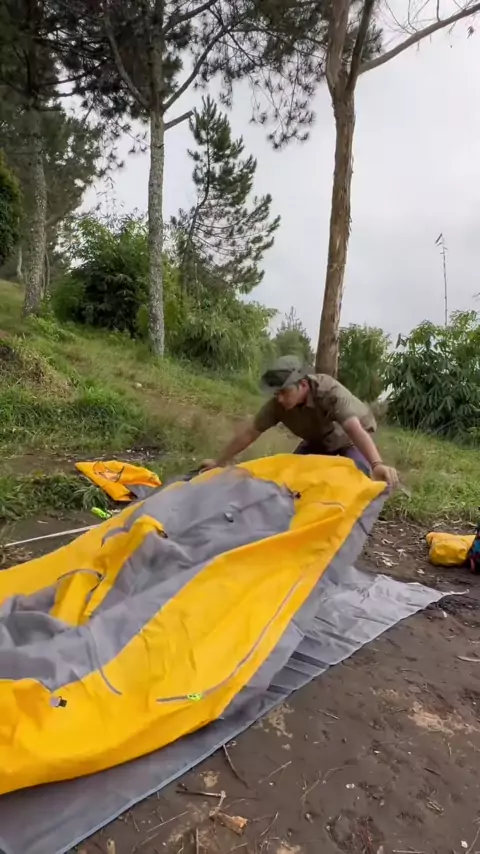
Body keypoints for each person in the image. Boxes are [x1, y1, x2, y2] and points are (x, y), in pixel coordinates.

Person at [201, 355, 398, 486]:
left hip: (349, 439)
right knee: (290, 480)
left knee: (355, 480)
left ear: (303, 384)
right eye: (276, 394)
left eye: (284, 392)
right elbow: (250, 433)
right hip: (318, 441)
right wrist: (218, 462)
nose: (279, 399)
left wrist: (376, 464)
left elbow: (354, 429)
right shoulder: (278, 405)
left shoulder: (330, 392)